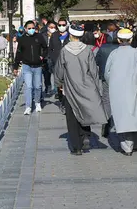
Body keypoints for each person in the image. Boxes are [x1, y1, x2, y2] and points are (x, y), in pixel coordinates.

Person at [55, 24, 106, 155]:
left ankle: (76, 146)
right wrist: (96, 87)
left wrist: (59, 83)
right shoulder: (88, 50)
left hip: (70, 87)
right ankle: (85, 136)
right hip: (87, 86)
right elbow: (93, 70)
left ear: (71, 35)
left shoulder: (65, 50)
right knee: (85, 110)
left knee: (72, 116)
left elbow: (60, 70)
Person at [105, 28, 137, 156]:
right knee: (136, 116)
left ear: (118, 39)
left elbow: (107, 73)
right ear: (131, 39)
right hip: (134, 87)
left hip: (117, 90)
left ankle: (127, 147)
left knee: (121, 118)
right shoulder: (136, 53)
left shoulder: (113, 54)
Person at [14, 20, 47, 115]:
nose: (32, 30)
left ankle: (37, 102)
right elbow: (19, 53)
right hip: (27, 65)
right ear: (25, 29)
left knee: (38, 86)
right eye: (29, 28)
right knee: (28, 86)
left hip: (37, 66)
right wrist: (15, 66)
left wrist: (42, 56)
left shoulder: (39, 37)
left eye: (33, 28)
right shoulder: (22, 39)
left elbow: (45, 48)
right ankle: (28, 106)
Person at [95, 32, 119, 138]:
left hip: (105, 77)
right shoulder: (120, 49)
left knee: (106, 99)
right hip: (119, 78)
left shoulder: (102, 48)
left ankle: (106, 121)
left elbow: (97, 61)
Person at [49, 18, 70, 111]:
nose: (61, 27)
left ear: (66, 25)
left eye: (63, 25)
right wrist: (52, 57)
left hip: (68, 63)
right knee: (59, 83)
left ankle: (68, 102)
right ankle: (62, 101)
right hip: (57, 63)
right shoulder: (54, 35)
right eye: (60, 25)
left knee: (68, 83)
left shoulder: (70, 35)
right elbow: (50, 48)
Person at [39, 21, 56, 94]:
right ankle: (48, 86)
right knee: (46, 74)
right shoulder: (43, 35)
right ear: (48, 28)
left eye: (54, 27)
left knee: (56, 73)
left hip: (55, 57)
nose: (53, 29)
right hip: (46, 57)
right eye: (51, 27)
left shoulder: (57, 35)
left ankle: (56, 89)